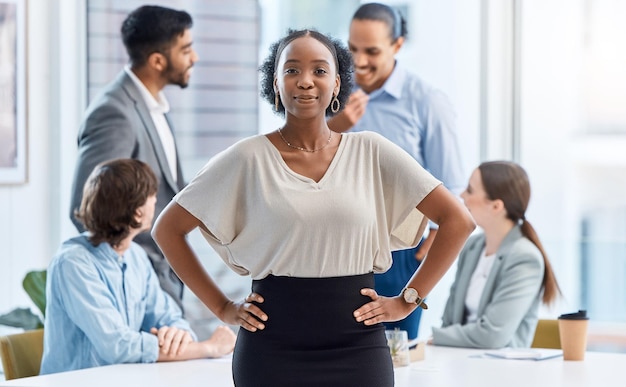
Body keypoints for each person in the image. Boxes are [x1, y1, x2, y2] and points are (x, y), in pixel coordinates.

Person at [152, 29, 475, 387]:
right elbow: (167, 229)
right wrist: (222, 307)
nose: (305, 81)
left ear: (337, 84)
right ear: (275, 83)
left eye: (319, 71)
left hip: (358, 346)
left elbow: (457, 220)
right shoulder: (247, 157)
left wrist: (408, 300)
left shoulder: (371, 151)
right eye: (291, 70)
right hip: (271, 348)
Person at [327, 2, 466, 339]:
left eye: (371, 51)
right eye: (353, 49)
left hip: (399, 251)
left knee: (393, 353)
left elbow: (452, 182)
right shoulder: (334, 95)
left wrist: (432, 239)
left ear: (397, 45)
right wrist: (334, 125)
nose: (359, 61)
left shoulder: (426, 101)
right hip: (334, 246)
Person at [40, 159, 236, 375]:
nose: (156, 202)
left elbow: (170, 318)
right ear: (137, 213)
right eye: (152, 196)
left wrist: (177, 334)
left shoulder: (136, 257)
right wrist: (208, 348)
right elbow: (117, 346)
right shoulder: (73, 264)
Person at [69, 5, 199, 311]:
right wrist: (142, 272)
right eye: (186, 49)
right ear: (157, 61)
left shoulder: (156, 107)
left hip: (165, 280)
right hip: (141, 291)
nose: (194, 58)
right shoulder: (114, 113)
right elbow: (85, 209)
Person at [430, 161, 561, 348]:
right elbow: (450, 319)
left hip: (501, 370)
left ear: (496, 206)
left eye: (470, 190)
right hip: (459, 361)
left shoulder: (525, 258)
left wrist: (437, 337)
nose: (462, 195)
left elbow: (492, 336)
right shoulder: (472, 247)